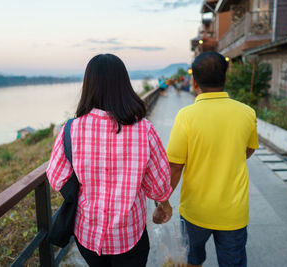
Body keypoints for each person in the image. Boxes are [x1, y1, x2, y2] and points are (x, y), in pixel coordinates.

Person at [46, 54, 173, 267]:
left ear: (88, 86)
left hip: (88, 233)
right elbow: (158, 184)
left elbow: (57, 178)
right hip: (130, 233)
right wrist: (165, 206)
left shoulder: (71, 129)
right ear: (124, 84)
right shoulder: (144, 130)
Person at [156, 51, 259, 267]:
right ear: (226, 78)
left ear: (194, 82)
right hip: (234, 210)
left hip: (195, 211)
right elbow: (248, 150)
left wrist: (163, 202)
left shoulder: (186, 116)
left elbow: (175, 166)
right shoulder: (247, 113)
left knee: (191, 260)